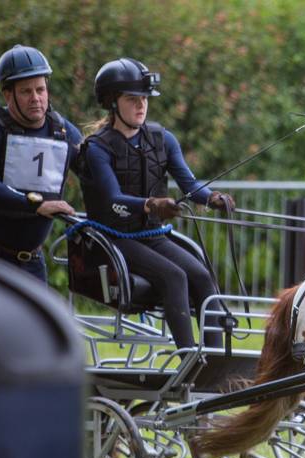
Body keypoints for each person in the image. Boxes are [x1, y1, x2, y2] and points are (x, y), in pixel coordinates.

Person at [80, 57, 235, 350]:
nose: (141, 105)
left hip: (152, 235)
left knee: (202, 275)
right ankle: (189, 358)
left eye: (145, 99)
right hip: (115, 238)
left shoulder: (163, 139)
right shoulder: (97, 149)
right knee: (173, 276)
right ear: (113, 102)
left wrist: (212, 198)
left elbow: (190, 185)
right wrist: (151, 205)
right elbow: (113, 199)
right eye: (132, 99)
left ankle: (215, 362)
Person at [0, 45, 82, 281]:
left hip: (31, 262)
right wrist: (36, 204)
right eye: (26, 92)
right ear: (7, 94)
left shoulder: (62, 130)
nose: (36, 98)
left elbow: (95, 168)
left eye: (41, 90)